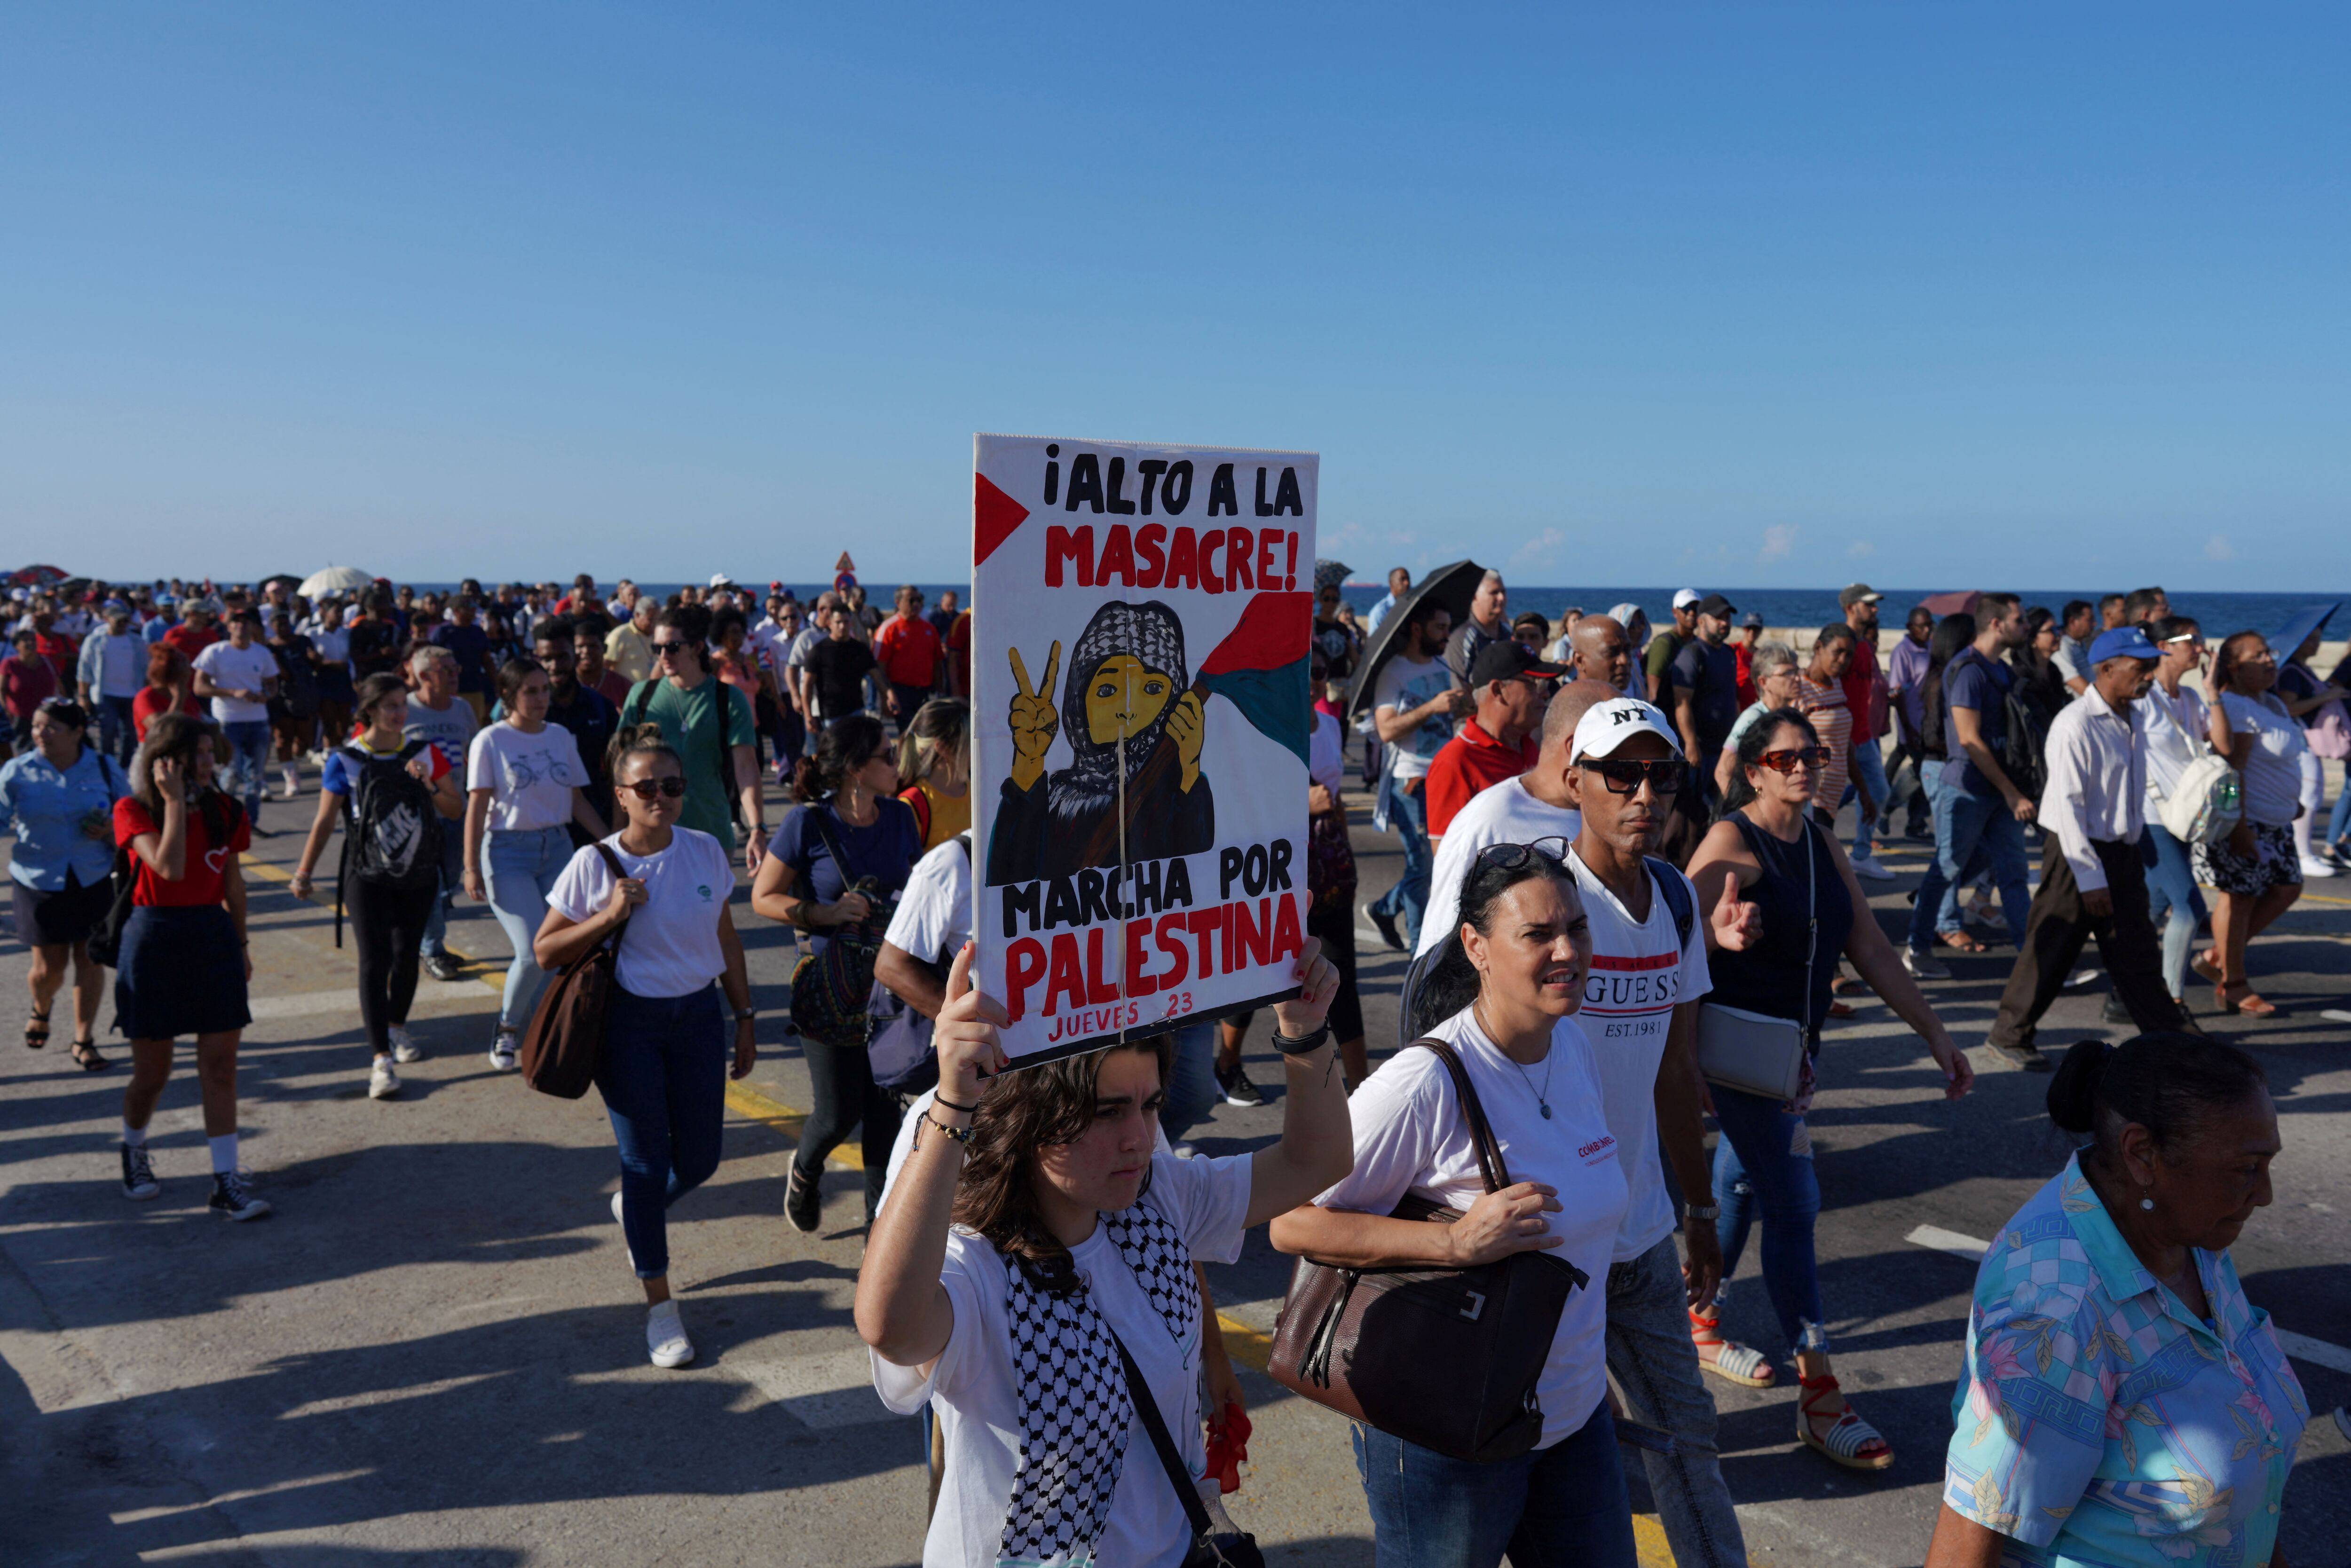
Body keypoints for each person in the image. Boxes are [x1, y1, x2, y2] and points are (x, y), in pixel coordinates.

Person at [863, 931, 1347, 1568]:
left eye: (1149, 1106)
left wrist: (1306, 1027)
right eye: (1107, 1112)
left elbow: (1318, 1160)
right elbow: (890, 1326)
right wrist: (954, 1101)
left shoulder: (1159, 1194)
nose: (1141, 1139)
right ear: (1034, 1118)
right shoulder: (977, 1266)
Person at [1272, 843, 1638, 1566]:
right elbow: (1292, 1220)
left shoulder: (1571, 1047)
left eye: (1578, 927)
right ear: (1477, 945)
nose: (1568, 949)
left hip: (1570, 1418)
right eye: (1538, 934)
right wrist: (1454, 1243)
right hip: (1444, 1429)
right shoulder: (1424, 1082)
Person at [1686, 709, 1973, 1470]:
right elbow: (1674, 925)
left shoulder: (1816, 840)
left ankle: (1699, 1321)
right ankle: (1819, 1394)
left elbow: (1869, 943)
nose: (1803, 767)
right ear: (1753, 772)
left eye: (1811, 755)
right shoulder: (1732, 841)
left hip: (1790, 1055)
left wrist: (1935, 1035)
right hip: (1737, 1057)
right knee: (1794, 1201)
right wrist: (1718, 932)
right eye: (1784, 758)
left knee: (1740, 1184)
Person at [1925, 1034, 2300, 1568]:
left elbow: (2244, 1485)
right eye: (2245, 1168)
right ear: (2142, 1153)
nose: (2263, 1193)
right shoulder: (2057, 1311)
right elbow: (1968, 1539)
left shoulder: (2188, 1231)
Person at [1551, 697, 1755, 1568]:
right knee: (1537, 1458)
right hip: (1547, 1242)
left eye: (1659, 775)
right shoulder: (1543, 902)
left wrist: (1699, 1208)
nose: (1643, 794)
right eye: (1620, 774)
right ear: (1575, 782)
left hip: (1638, 1242)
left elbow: (1678, 1069)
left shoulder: (1675, 897)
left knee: (1687, 1444)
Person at [537, 726, 758, 1370]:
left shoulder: (705, 850)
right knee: (642, 1162)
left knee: (700, 1159)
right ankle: (661, 1306)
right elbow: (547, 950)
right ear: (622, 795)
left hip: (697, 1018)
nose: (661, 795)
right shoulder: (596, 863)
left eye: (673, 785)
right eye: (647, 787)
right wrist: (608, 915)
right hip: (627, 1024)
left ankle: (636, 1211)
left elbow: (726, 937)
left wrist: (743, 1015)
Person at [1984, 629, 2189, 1068]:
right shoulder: (2075, 724)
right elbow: (2067, 805)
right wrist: (2090, 877)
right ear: (2106, 669)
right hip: (2077, 853)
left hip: (2122, 851)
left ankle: (2171, 1040)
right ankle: (2010, 1033)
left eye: (2151, 667)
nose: (2149, 677)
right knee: (2053, 947)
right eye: (2140, 668)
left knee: (2137, 953)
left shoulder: (2130, 716)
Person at [752, 715, 922, 1229]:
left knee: (884, 1109)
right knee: (836, 1112)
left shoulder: (899, 816)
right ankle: (805, 1170)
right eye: (887, 756)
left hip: (886, 989)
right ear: (854, 769)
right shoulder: (807, 822)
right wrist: (821, 913)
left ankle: (878, 1233)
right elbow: (763, 896)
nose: (897, 764)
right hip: (828, 990)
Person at [111, 712, 269, 1220]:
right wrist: (176, 801)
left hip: (212, 935)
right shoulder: (132, 808)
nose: (208, 762)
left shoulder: (226, 808)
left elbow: (233, 883)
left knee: (220, 1065)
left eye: (209, 752)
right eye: (196, 754)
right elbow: (169, 866)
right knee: (152, 1074)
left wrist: (241, 943)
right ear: (164, 761)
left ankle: (226, 1180)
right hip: (154, 937)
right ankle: (134, 1145)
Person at [288, 673, 465, 1100]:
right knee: (375, 959)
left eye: (402, 704)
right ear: (368, 710)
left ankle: (397, 1027)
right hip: (365, 875)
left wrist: (428, 781)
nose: (398, 713)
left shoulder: (426, 752)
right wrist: (303, 872)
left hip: (418, 872)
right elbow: (326, 820)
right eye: (389, 705)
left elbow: (454, 807)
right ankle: (380, 1060)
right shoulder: (345, 759)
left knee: (407, 955)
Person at [986, 600, 1217, 884]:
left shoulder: (1174, 794)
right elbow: (1007, 892)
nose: (1128, 710)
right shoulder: (1059, 799)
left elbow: (1198, 883)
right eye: (1108, 690)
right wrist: (1028, 764)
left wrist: (1189, 770)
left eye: (1153, 688)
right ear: (1079, 699)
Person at [463, 659, 610, 1071]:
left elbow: (577, 799)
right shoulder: (490, 740)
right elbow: (477, 805)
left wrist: (611, 846)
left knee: (565, 950)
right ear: (509, 695)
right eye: (531, 690)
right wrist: (470, 865)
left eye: (545, 689)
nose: (542, 698)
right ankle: (508, 1028)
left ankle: (554, 1030)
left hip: (559, 848)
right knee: (532, 951)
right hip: (508, 854)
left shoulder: (561, 735)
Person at [1414, 680, 1617, 969]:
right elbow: (1439, 952)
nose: (1640, 788)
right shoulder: (1491, 819)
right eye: (1621, 758)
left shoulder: (1616, 817)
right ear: (1576, 749)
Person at [3, 699, 127, 1071]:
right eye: (38, 725)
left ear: (77, 733)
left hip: (92, 876)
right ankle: (41, 1008)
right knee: (48, 968)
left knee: (89, 960)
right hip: (38, 879)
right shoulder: (17, 770)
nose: (41, 733)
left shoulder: (103, 767)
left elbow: (130, 814)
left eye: (52, 727)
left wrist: (110, 831)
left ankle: (83, 1038)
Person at [2192, 632, 2307, 1017]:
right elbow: (2231, 773)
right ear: (2236, 667)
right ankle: (2234, 983)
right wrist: (2238, 828)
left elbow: (2283, 759)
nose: (2270, 660)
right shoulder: (2236, 707)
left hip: (2278, 821)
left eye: (2270, 653)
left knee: (2287, 888)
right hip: (2249, 820)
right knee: (2239, 899)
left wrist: (2294, 800)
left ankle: (2216, 956)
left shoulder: (2272, 701)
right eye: (2258, 656)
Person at [615, 605, 767, 873]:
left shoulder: (728, 699)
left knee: (710, 915)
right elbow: (620, 769)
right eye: (657, 648)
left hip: (709, 834)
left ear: (698, 648)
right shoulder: (642, 696)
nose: (663, 655)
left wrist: (757, 828)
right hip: (648, 839)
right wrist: (616, 833)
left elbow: (746, 768)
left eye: (672, 647)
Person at [1935, 594, 2035, 950]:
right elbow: (1968, 738)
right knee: (1947, 869)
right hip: (1969, 789)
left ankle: (2033, 959)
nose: (2026, 627)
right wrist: (2011, 792)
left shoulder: (2003, 670)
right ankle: (1919, 944)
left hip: (1998, 790)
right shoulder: (1968, 670)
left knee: (2013, 874)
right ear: (1997, 624)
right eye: (2020, 620)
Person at [1365, 598, 1467, 950]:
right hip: (1411, 783)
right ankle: (1419, 954)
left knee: (1439, 867)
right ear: (1417, 629)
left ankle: (1384, 908)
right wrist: (1433, 706)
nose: (1446, 635)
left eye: (1448, 627)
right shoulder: (1394, 673)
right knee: (1422, 868)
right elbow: (1386, 730)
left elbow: (1456, 713)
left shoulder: (1441, 664)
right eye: (1440, 627)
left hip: (1446, 778)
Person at [2134, 616, 2213, 1016]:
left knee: (2151, 906)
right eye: (2193, 640)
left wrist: (2213, 690)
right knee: (2190, 907)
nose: (2200, 647)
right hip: (2152, 816)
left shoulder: (2192, 698)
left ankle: (2125, 987)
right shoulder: (2143, 698)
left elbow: (2225, 746)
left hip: (2186, 817)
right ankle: (2170, 1002)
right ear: (2165, 646)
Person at [1423, 640, 1558, 842]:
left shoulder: (1529, 747)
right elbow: (1446, 858)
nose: (1545, 693)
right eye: (1534, 684)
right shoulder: (1455, 762)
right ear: (1498, 691)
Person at [402, 645, 479, 981]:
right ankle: (432, 950)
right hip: (418, 816)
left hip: (456, 810)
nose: (455, 674)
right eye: (445, 669)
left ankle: (426, 932)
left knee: (449, 881)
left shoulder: (462, 709)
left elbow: (475, 754)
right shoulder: (404, 709)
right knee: (432, 882)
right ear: (422, 676)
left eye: (455, 667)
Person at [191, 610, 280, 834]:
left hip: (258, 720)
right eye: (236, 622)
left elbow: (272, 683)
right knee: (232, 773)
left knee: (256, 775)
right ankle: (221, 817)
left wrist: (266, 696)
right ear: (228, 627)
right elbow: (199, 687)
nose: (241, 626)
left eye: (245, 622)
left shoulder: (261, 653)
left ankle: (249, 822)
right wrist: (232, 692)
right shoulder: (215, 652)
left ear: (253, 627)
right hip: (228, 721)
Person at [526, 619, 616, 832]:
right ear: (535, 659)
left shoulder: (600, 707)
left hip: (594, 820)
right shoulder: (522, 712)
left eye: (562, 657)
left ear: (575, 657)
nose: (555, 667)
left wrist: (616, 827)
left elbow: (618, 769)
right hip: (541, 824)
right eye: (547, 659)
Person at [2272, 624, 2348, 878]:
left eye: (2319, 639)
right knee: (2308, 795)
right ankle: (2302, 854)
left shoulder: (2300, 669)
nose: (2317, 644)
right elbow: (2289, 707)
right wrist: (2327, 697)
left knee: (2312, 795)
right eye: (2312, 639)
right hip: (2300, 741)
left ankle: (2302, 853)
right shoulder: (2292, 672)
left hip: (2304, 742)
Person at [1836, 585, 1894, 880]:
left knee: (1879, 792)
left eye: (1875, 605)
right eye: (1869, 605)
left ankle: (1860, 854)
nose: (1875, 610)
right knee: (1822, 800)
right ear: (1850, 608)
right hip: (1840, 735)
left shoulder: (1865, 647)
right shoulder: (1841, 642)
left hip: (1864, 734)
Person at [1668, 593, 1741, 798]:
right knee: (1693, 815)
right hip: (1700, 751)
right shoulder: (1692, 655)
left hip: (1724, 748)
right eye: (1718, 618)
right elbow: (1682, 704)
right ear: (1701, 621)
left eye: (1727, 618)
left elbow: (1731, 697)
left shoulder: (1728, 654)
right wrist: (1690, 744)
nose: (1725, 623)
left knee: (1723, 810)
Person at [1712, 641, 1802, 797]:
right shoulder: (1753, 718)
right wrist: (1742, 814)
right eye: (1787, 674)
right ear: (1763, 682)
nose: (1797, 679)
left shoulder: (1790, 715)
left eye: (1797, 671)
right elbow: (1722, 771)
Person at [1793, 624, 1860, 835]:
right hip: (1813, 793)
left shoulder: (1836, 685)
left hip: (1835, 790)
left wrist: (1864, 791)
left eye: (1849, 655)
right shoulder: (1800, 690)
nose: (1843, 660)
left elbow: (1845, 744)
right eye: (1837, 652)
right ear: (1818, 647)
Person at [1883, 604, 1937, 840]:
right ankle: (1887, 810)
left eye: (1930, 625)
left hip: (1928, 723)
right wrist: (1907, 727)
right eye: (1922, 626)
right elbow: (1897, 694)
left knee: (1921, 771)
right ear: (1910, 627)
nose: (1927, 630)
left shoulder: (1931, 648)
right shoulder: (1902, 652)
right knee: (1920, 772)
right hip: (1912, 723)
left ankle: (1913, 822)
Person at [894, 697, 970, 852]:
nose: (979, 747)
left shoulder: (982, 791)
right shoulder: (912, 805)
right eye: (970, 741)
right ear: (943, 748)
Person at [75, 606, 146, 768]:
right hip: (105, 694)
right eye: (118, 621)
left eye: (125, 621)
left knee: (131, 733)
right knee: (107, 731)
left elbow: (145, 668)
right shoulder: (95, 641)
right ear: (108, 620)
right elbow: (84, 670)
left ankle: (125, 766)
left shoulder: (137, 642)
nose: (122, 624)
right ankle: (107, 764)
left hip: (132, 694)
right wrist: (83, 696)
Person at [874, 585, 943, 733]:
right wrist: (885, 697)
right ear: (898, 603)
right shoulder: (889, 629)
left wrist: (940, 691)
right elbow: (879, 668)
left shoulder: (929, 629)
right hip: (900, 692)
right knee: (907, 735)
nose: (917, 604)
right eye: (911, 600)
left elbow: (937, 662)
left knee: (926, 734)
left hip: (925, 692)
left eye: (919, 600)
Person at [1445, 569, 1510, 690]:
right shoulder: (1462, 638)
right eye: (1494, 593)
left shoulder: (1507, 632)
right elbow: (1459, 689)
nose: (1501, 598)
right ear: (1475, 596)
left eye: (1503, 592)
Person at [3, 628, 61, 752]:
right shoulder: (9, 665)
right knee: (23, 751)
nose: (31, 643)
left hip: (46, 715)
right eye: (26, 641)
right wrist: (6, 711)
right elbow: (1, 690)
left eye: (33, 640)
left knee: (47, 749)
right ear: (17, 646)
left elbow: (59, 685)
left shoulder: (47, 662)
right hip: (21, 717)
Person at [131, 643, 200, 743]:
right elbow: (162, 731)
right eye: (184, 670)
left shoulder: (187, 696)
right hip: (155, 753)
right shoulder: (146, 697)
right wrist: (178, 699)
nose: (189, 674)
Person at [1647, 590, 1701, 706]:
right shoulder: (1665, 644)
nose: (1692, 613)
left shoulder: (1698, 644)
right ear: (1675, 613)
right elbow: (1653, 690)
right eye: (1686, 609)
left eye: (1696, 609)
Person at [1568, 613, 1636, 694]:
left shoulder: (1633, 705)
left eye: (1627, 651)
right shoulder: (1566, 706)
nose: (1624, 661)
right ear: (1580, 661)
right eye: (1612, 652)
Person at [604, 595, 657, 686]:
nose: (655, 623)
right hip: (626, 693)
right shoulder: (620, 635)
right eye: (651, 619)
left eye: (658, 619)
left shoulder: (657, 635)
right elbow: (605, 666)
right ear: (637, 615)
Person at [2050, 599, 2097, 696]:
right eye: (2089, 620)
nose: (2094, 624)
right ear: (2072, 622)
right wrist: (2104, 703)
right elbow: (2073, 681)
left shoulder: (2079, 644)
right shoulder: (2063, 646)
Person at [1363, 565, 1412, 636]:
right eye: (1402, 579)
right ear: (1391, 583)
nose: (1407, 583)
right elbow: (1374, 643)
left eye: (1408, 579)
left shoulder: (1412, 606)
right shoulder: (1380, 612)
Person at [1731, 610, 1765, 707]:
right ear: (1744, 629)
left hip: (1753, 703)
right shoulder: (1733, 650)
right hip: (1736, 703)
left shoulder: (1761, 655)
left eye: (1756, 629)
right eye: (1749, 628)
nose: (1752, 632)